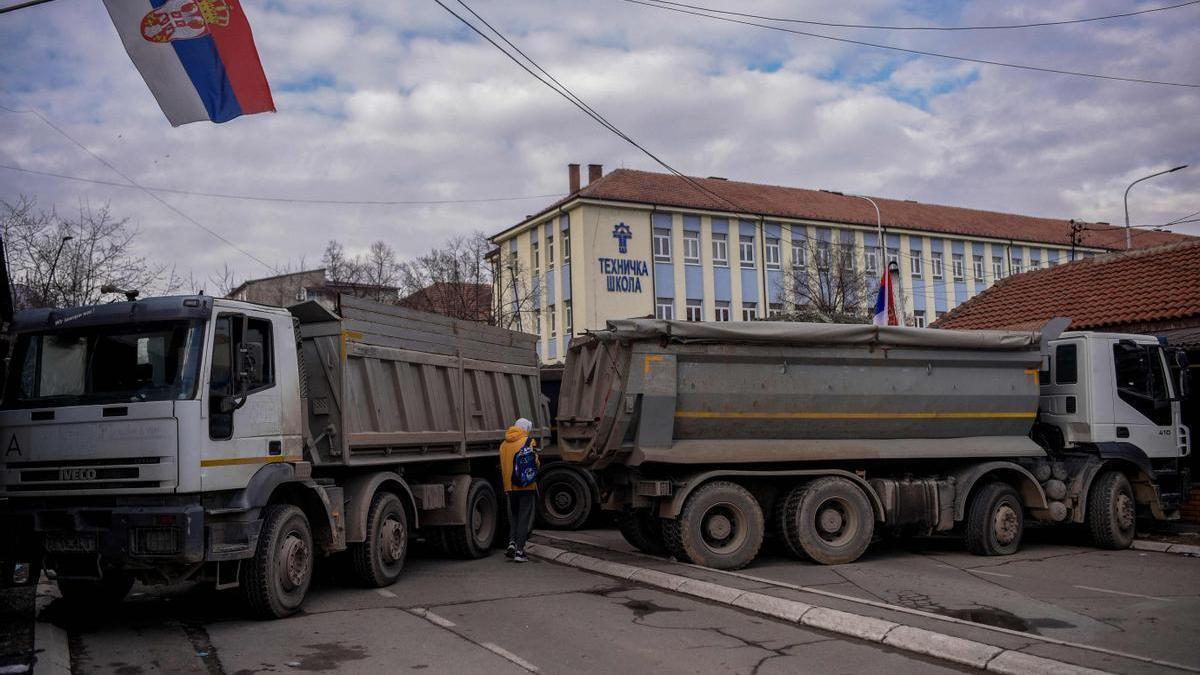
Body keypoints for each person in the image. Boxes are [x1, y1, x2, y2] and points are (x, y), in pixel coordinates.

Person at [499, 417, 539, 563]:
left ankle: (512, 542)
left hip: (510, 487)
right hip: (526, 486)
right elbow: (536, 463)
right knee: (523, 518)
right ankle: (520, 552)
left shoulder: (503, 445)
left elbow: (503, 467)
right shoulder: (529, 442)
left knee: (514, 516)